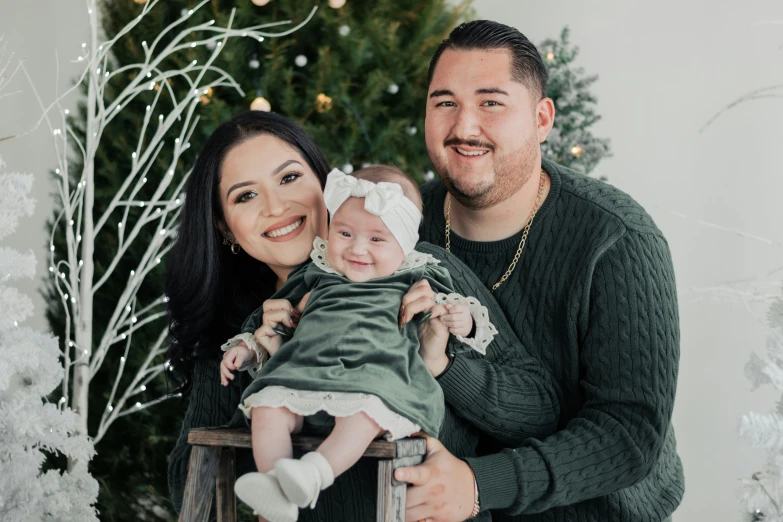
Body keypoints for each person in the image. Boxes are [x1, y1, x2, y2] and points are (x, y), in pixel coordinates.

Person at [165, 110, 561, 521]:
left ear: (325, 184)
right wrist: (266, 368)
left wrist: (443, 363)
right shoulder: (236, 328)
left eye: (289, 178)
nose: (276, 206)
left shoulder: (418, 273)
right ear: (226, 228)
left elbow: (540, 411)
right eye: (245, 196)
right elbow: (189, 482)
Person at [393, 19, 685, 522]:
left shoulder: (617, 239)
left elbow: (630, 435)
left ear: (542, 118)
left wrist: (479, 484)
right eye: (445, 103)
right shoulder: (396, 228)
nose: (464, 127)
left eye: (491, 102)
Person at [220, 166, 495, 522]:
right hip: (305, 373)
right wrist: (247, 349)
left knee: (364, 415)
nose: (357, 248)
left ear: (405, 244)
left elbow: (460, 312)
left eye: (377, 239)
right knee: (267, 407)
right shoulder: (316, 273)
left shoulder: (415, 276)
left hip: (376, 376)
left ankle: (314, 473)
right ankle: (277, 486)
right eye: (345, 233)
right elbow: (271, 319)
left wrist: (462, 318)